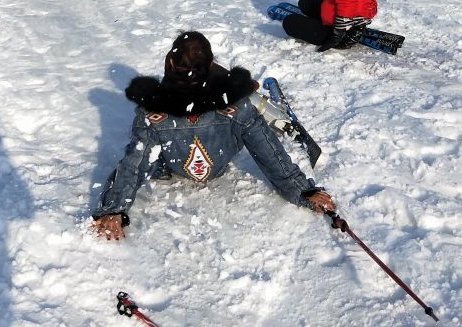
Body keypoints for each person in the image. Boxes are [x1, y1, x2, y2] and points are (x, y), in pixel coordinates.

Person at [92, 31, 336, 240]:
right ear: (210, 66)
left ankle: (207, 80)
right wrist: (304, 191)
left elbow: (134, 163)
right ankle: (234, 86)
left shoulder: (152, 114)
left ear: (168, 65)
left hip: (175, 159)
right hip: (220, 142)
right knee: (246, 105)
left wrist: (113, 210)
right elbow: (268, 151)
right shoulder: (237, 106)